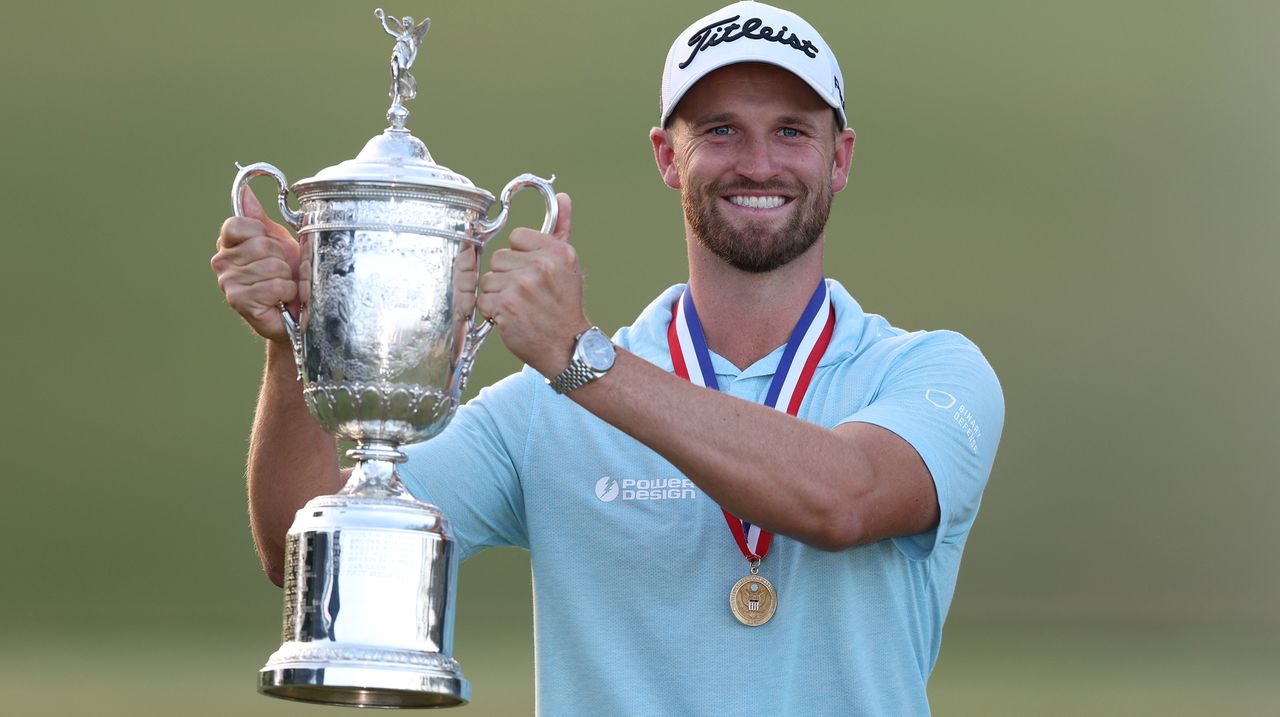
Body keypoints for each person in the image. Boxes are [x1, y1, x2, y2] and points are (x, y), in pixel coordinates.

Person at [210, 2, 1004, 714]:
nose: (759, 163)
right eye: (720, 129)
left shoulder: (933, 373)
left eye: (792, 130)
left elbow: (846, 499)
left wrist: (582, 359)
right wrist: (298, 340)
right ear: (667, 155)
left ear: (840, 157)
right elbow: (299, 545)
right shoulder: (541, 408)